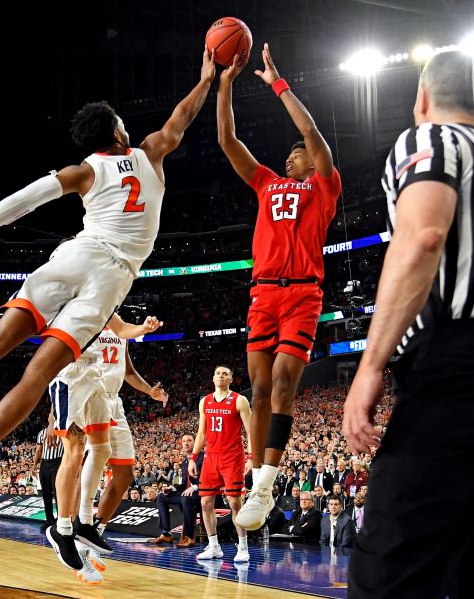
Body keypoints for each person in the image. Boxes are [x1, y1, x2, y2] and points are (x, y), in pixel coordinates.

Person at [0, 48, 216, 495]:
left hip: (74, 256)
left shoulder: (84, 170)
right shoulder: (151, 153)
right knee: (38, 375)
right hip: (112, 277)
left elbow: (25, 198)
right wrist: (207, 78)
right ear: (119, 131)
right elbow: (182, 116)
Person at [341, 50, 474, 599]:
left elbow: (423, 238)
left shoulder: (429, 140)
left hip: (453, 367)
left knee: (388, 570)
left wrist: (371, 367)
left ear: (421, 98)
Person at [215, 44, 342, 531]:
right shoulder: (266, 182)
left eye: (300, 153)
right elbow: (228, 140)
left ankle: (265, 484)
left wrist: (276, 83)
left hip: (303, 293)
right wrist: (224, 83)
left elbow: (311, 132)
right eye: (291, 154)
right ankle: (255, 479)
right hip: (263, 293)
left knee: (286, 382)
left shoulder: (324, 187)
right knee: (261, 386)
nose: (295, 155)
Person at [44, 313, 164, 570]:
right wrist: (53, 414)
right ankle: (65, 527)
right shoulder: (73, 301)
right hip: (71, 375)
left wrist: (144, 328)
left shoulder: (108, 307)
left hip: (100, 383)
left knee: (109, 458)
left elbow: (124, 341)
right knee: (76, 455)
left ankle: (88, 524)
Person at [188, 366, 252, 562]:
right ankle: (214, 546)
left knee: (234, 502)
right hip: (211, 456)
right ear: (213, 378)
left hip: (232, 457)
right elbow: (201, 433)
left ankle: (243, 547)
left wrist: (251, 457)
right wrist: (193, 457)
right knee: (205, 502)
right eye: (217, 373)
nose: (221, 376)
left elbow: (251, 432)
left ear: (231, 379)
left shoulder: (240, 400)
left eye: (225, 373)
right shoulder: (204, 401)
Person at [148, 434, 201, 548]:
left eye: (189, 441)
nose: (186, 443)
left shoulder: (202, 457)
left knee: (186, 497)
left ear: (195, 443)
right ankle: (166, 533)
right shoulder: (185, 463)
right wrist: (172, 488)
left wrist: (194, 487)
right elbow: (184, 484)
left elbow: (209, 479)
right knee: (162, 496)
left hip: (202, 494)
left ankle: (189, 536)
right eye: (184, 441)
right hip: (187, 495)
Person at [35, 419, 63, 531]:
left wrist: (34, 465)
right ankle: (50, 520)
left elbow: (38, 451)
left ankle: (60, 520)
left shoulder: (62, 432)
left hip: (57, 463)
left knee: (57, 494)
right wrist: (34, 465)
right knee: (47, 494)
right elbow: (38, 451)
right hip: (45, 464)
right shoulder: (42, 433)